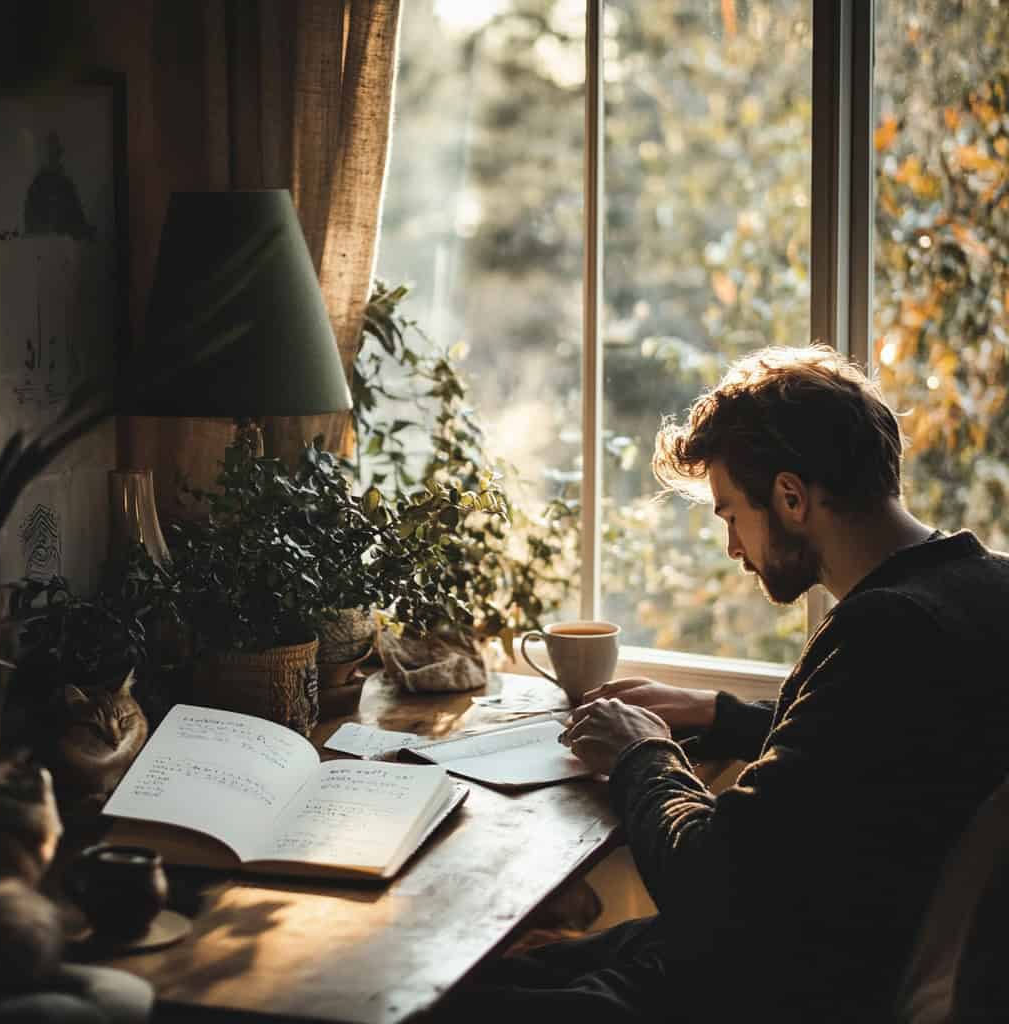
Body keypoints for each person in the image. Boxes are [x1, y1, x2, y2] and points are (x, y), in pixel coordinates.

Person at [431, 345, 1009, 1023]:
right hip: (842, 946)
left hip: (785, 985)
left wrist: (639, 754)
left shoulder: (886, 631)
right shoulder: (980, 590)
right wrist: (715, 711)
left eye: (732, 514)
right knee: (485, 971)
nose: (734, 549)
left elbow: (710, 887)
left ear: (791, 497)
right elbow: (874, 752)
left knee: (446, 1000)